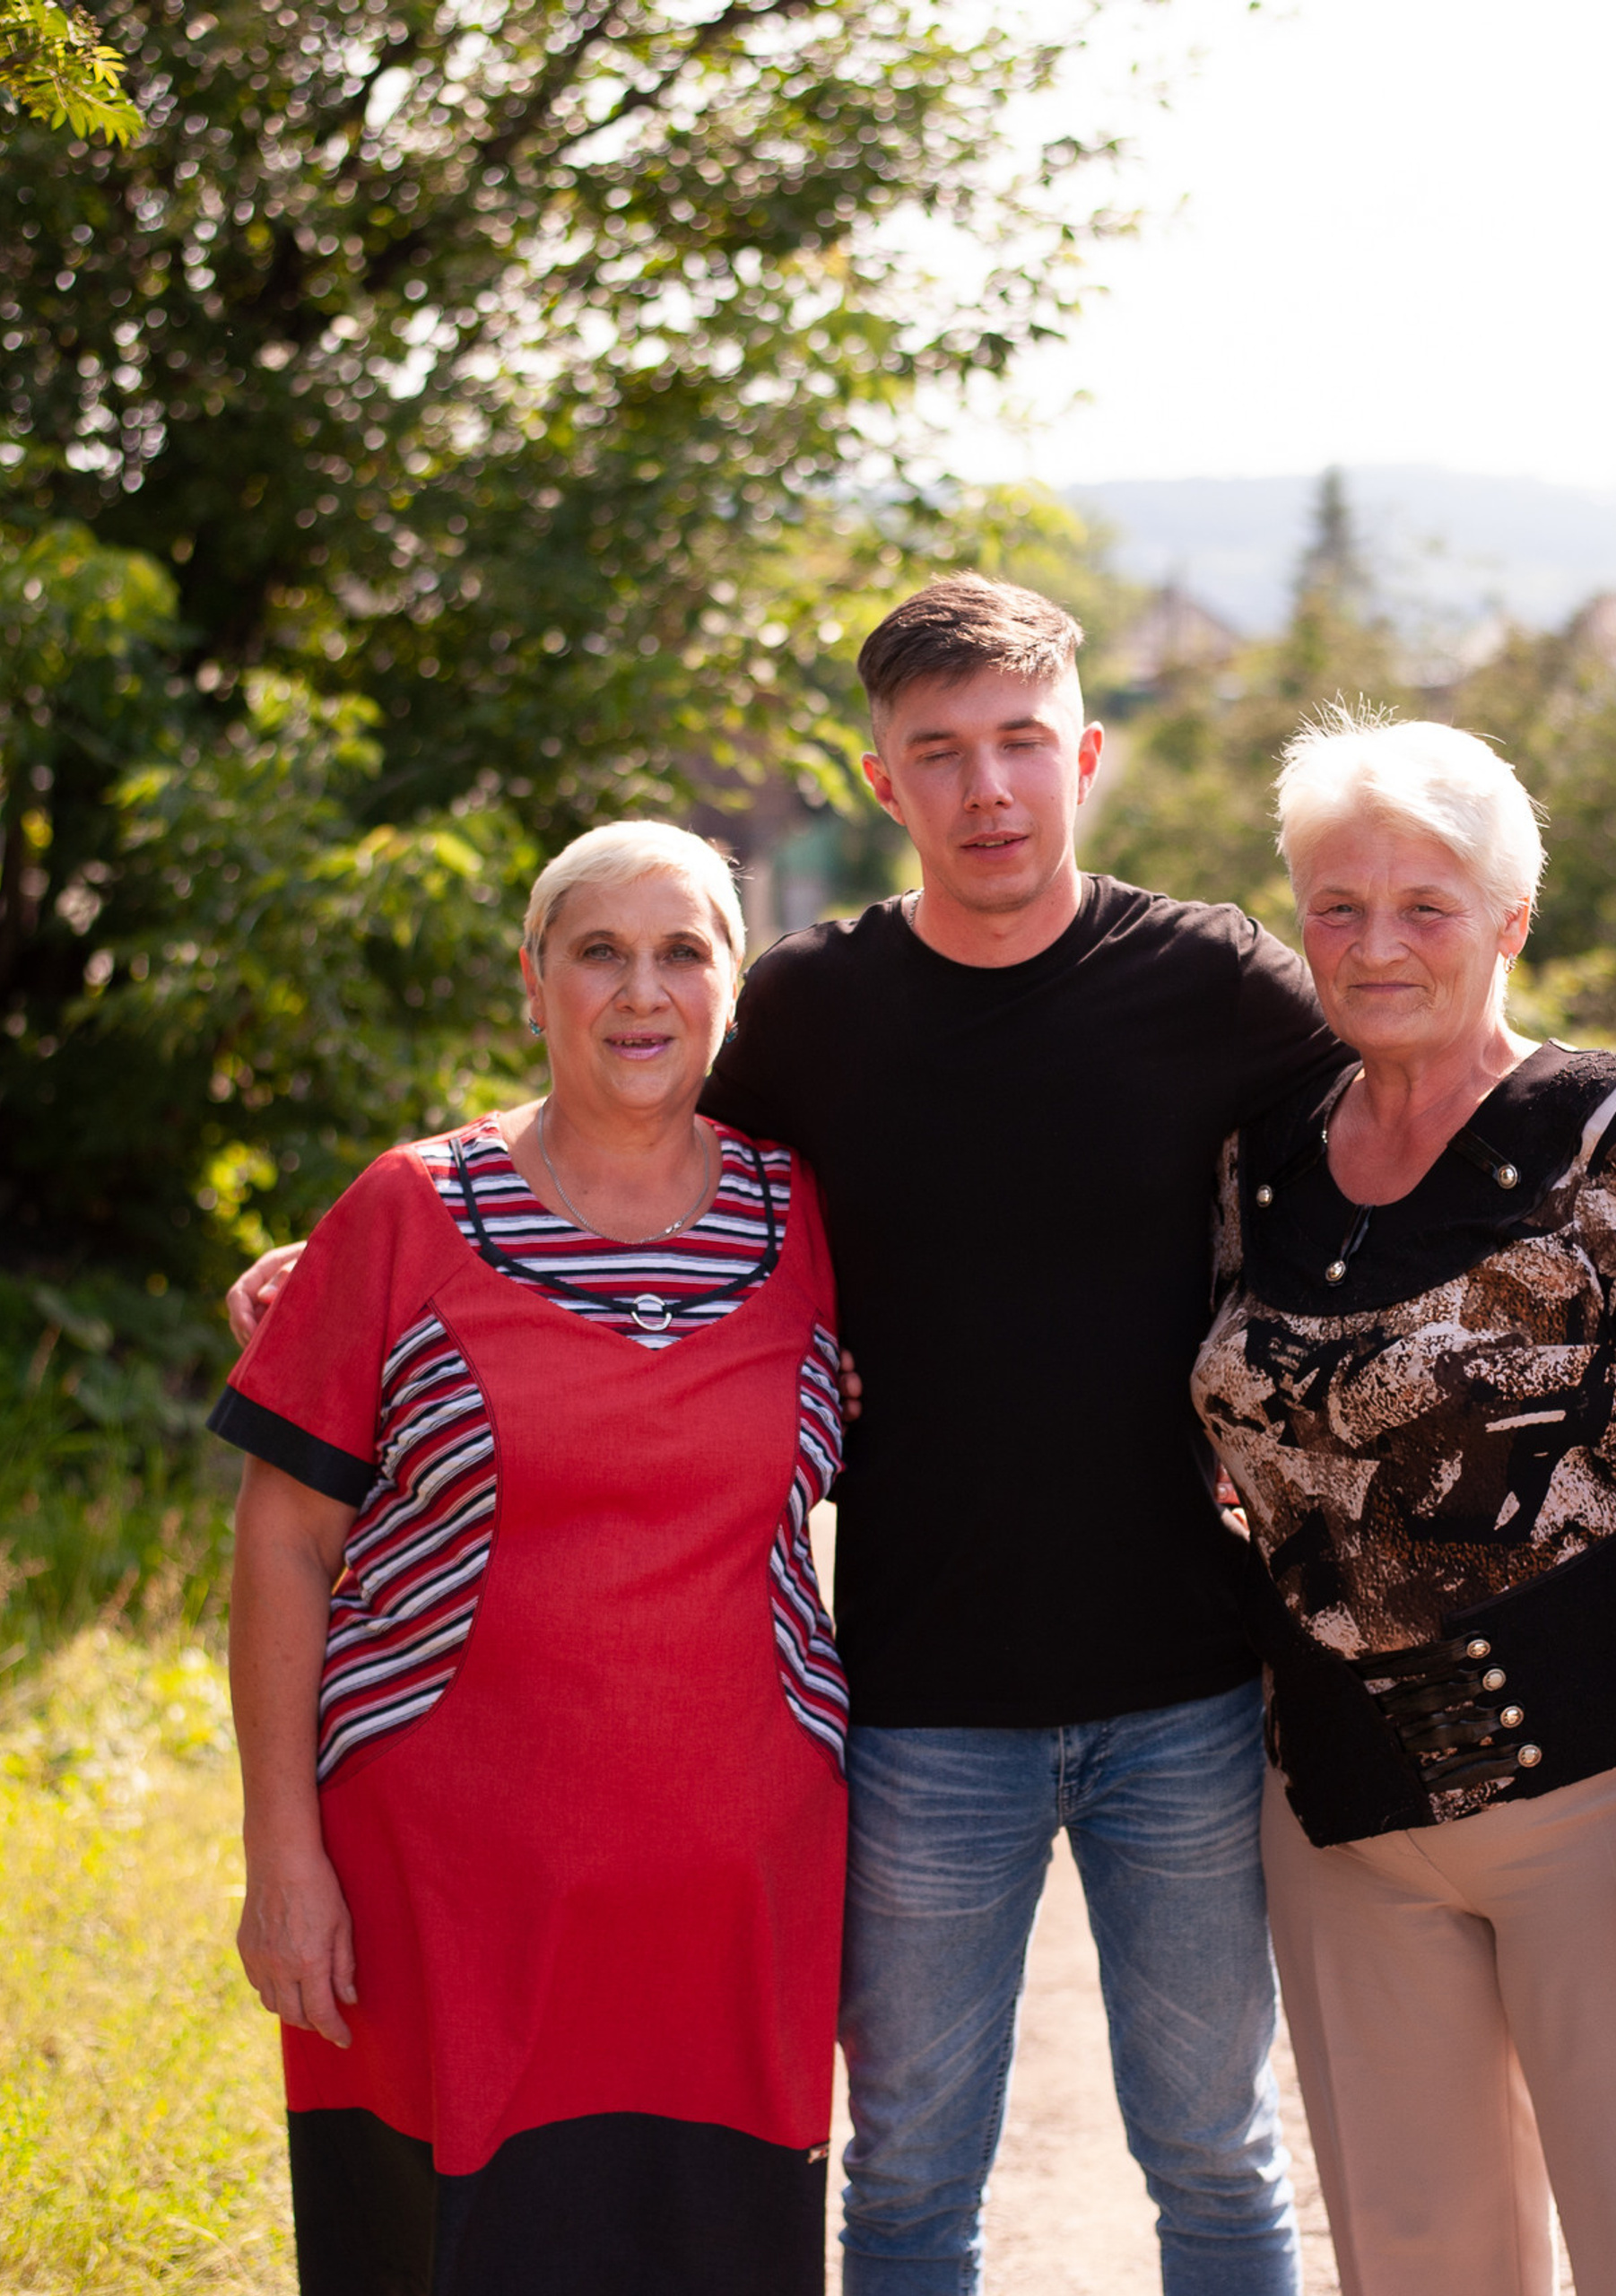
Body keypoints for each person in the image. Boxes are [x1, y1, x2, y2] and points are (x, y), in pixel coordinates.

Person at [230, 575, 1346, 2296]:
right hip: (916, 1706)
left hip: (1185, 1684)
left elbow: (1406, 1107)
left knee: (1213, 2156)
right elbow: (604, 1113)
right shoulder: (809, 1016)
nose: (987, 790)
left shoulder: (1215, 982)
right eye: (940, 753)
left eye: (1022, 746)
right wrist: (341, 1267)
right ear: (883, 780)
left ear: (1088, 758)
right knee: (905, 2184)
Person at [1189, 711, 1616, 2296]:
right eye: (1337, 904)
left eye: (1425, 906)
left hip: (1612, 1805)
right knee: (1418, 2269)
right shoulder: (1260, 1161)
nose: (1374, 943)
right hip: (1344, 1817)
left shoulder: (1607, 1129)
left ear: (1511, 923)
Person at [215, 823, 849, 2296]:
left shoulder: (805, 1212)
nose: (643, 992)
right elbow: (284, 1534)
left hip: (733, 1902)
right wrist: (281, 1860)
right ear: (535, 979)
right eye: (600, 953)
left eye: (683, 951)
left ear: (730, 986)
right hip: (440, 1906)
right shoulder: (405, 1211)